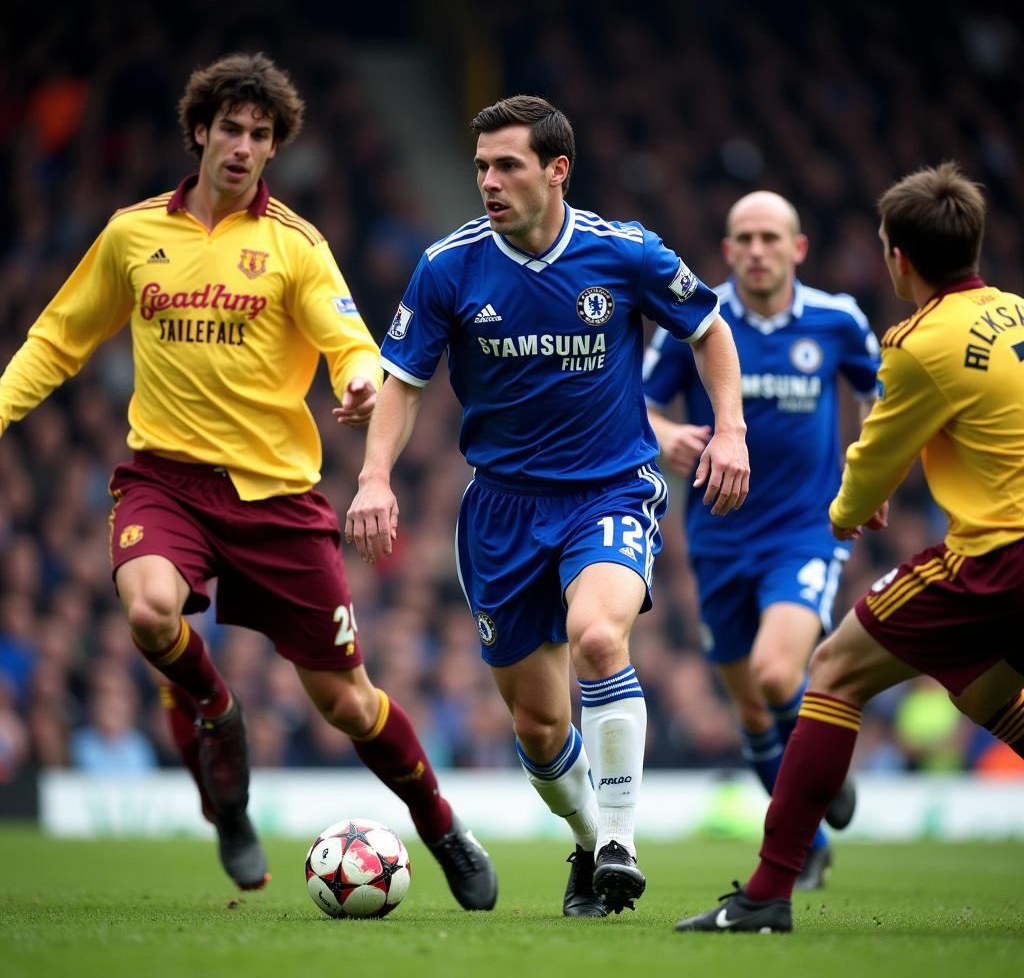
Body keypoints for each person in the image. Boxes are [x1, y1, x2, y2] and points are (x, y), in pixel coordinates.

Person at [0, 52, 497, 909]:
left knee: (348, 702)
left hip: (278, 501)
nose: (243, 145)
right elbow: (58, 339)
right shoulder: (133, 235)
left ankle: (439, 822)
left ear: (274, 149)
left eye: (261, 134)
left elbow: (350, 344)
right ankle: (218, 727)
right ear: (200, 131)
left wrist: (358, 382)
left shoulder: (296, 245)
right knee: (151, 610)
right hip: (165, 481)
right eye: (230, 128)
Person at [345, 95, 749, 916]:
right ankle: (586, 841)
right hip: (498, 511)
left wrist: (731, 431)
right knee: (536, 727)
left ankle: (619, 843)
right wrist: (374, 476)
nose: (489, 182)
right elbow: (405, 383)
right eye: (482, 168)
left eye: (508, 166)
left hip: (609, 489)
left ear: (556, 170)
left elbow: (708, 326)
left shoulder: (624, 252)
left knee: (601, 637)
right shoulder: (448, 267)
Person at [675, 162, 1024, 934]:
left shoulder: (916, 340)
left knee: (828, 672)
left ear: (897, 257)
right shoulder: (1019, 313)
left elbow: (873, 462)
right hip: (727, 540)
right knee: (986, 693)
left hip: (996, 557)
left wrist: (840, 515)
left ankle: (767, 893)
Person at [643, 191, 879, 888]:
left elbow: (880, 395)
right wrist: (669, 438)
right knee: (749, 708)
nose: (757, 250)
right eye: (743, 237)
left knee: (779, 675)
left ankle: (823, 775)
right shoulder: (696, 321)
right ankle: (806, 844)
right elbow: (638, 406)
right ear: (727, 249)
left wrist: (876, 469)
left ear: (797, 248)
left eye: (770, 238)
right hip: (717, 540)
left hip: (805, 531)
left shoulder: (837, 320)